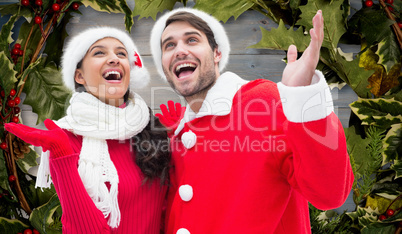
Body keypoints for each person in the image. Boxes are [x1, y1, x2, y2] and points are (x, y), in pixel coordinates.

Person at [150, 8, 354, 234]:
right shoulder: (177, 134)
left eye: (191, 39)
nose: (179, 50)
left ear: (217, 53)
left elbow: (330, 193)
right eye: (169, 45)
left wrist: (303, 99)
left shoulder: (261, 102)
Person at [6, 27, 170, 233]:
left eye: (121, 53)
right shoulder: (64, 139)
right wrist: (61, 155)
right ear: (79, 76)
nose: (114, 59)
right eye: (99, 52)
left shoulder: (150, 128)